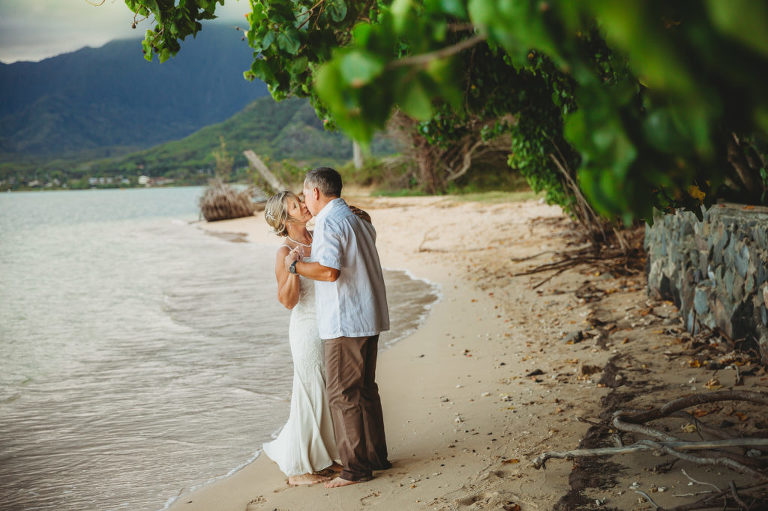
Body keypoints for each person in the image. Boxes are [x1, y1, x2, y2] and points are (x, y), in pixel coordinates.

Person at [285, 167, 391, 488]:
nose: (305, 201)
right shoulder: (358, 219)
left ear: (316, 192)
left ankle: (355, 469)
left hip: (345, 321)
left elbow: (329, 271)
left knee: (342, 393)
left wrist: (296, 265)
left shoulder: (330, 221)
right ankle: (375, 458)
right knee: (365, 390)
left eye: (305, 194)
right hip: (369, 316)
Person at [261, 191, 340, 486]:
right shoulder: (284, 252)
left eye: (300, 200)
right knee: (310, 392)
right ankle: (299, 469)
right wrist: (293, 269)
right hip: (307, 328)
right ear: (285, 219)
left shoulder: (319, 235)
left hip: (331, 324)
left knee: (329, 391)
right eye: (295, 205)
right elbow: (287, 301)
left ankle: (325, 458)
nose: (304, 205)